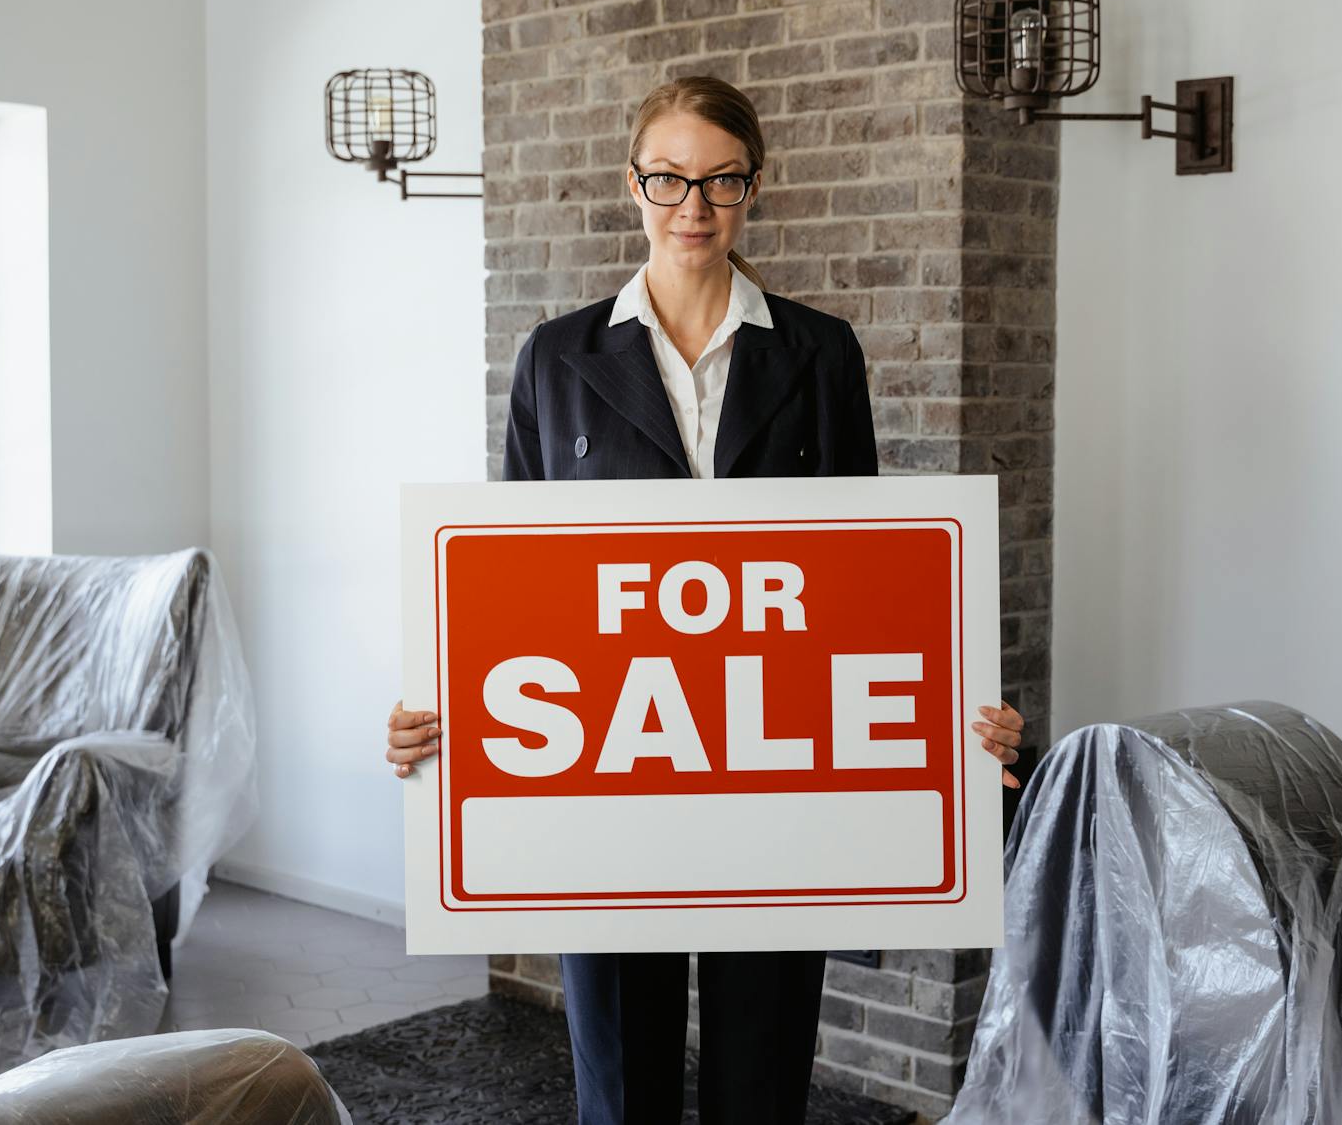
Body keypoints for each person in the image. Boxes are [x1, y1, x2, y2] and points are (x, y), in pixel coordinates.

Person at [384, 75, 1026, 1124]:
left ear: (752, 189)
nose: (693, 204)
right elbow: (514, 586)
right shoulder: (556, 356)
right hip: (606, 774)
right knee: (620, 1087)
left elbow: (866, 582)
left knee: (759, 1082)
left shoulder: (819, 353)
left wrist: (952, 720)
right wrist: (439, 714)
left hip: (770, 767)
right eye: (669, 178)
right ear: (631, 184)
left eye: (720, 180)